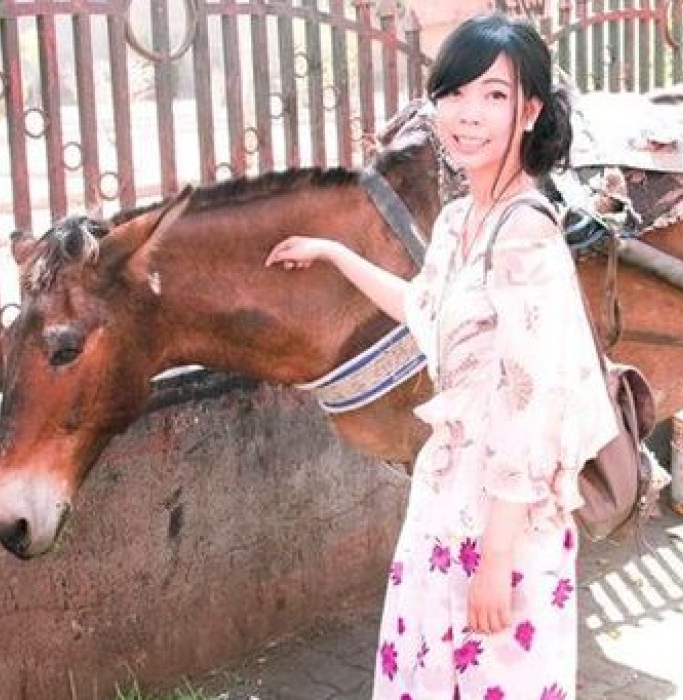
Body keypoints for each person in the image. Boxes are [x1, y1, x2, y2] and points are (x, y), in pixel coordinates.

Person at [264, 13, 620, 699]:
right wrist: (336, 254)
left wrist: (495, 557)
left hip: (500, 529)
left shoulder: (526, 239)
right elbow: (430, 312)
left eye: (494, 95)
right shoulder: (461, 220)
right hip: (441, 507)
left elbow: (533, 404)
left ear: (530, 111)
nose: (468, 114)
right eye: (454, 93)